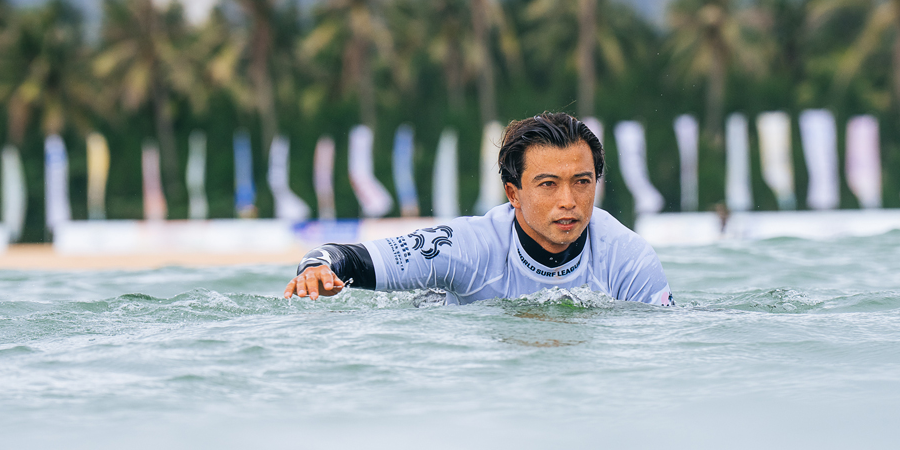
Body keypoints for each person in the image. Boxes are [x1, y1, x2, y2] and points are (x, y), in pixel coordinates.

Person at [284, 111, 674, 306]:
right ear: (513, 193)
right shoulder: (467, 246)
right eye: (548, 184)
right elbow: (346, 257)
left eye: (582, 182)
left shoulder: (628, 258)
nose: (568, 201)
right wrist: (315, 269)